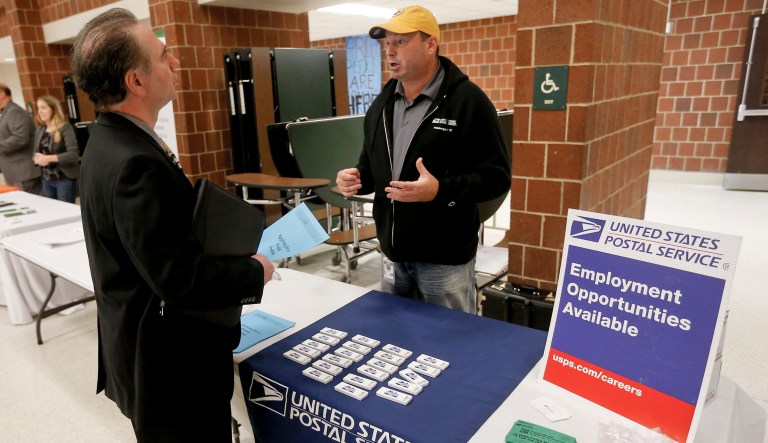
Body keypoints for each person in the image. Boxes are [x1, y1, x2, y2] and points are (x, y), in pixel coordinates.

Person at [71, 8, 275, 442]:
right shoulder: (135, 163)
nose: (176, 62)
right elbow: (178, 280)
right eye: (164, 55)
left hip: (144, 355)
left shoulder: (106, 140)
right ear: (136, 80)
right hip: (171, 371)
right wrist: (255, 271)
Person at [336, 5, 511, 314]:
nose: (390, 51)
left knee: (453, 345)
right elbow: (372, 166)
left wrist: (440, 191)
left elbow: (496, 177)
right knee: (397, 343)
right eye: (387, 42)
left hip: (445, 262)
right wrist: (357, 178)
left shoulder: (469, 102)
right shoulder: (382, 104)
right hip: (392, 257)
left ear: (431, 44)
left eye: (401, 42)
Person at [32, 95, 80, 203]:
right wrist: (36, 159)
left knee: (66, 213)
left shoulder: (65, 127)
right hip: (46, 180)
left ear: (53, 109)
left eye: (43, 108)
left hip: (64, 180)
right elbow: (36, 152)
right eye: (38, 108)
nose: (40, 111)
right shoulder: (40, 129)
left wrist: (48, 158)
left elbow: (73, 154)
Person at [0, 83, 42, 194]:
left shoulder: (14, 111)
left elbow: (20, 138)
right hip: (16, 174)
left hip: (24, 174)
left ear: (2, 94)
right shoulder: (6, 112)